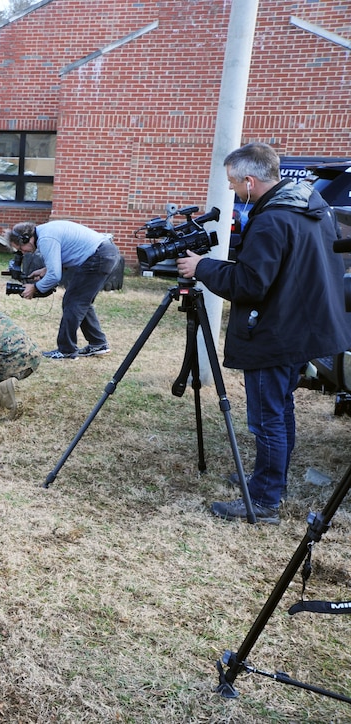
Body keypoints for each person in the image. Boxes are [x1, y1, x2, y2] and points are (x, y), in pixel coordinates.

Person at [177, 142, 351, 524]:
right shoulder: (309, 206)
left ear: (250, 181)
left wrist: (202, 267)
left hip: (277, 331)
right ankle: (267, 481)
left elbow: (250, 283)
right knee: (280, 409)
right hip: (301, 326)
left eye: (234, 183)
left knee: (266, 418)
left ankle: (265, 499)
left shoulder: (272, 218)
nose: (234, 190)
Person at [8, 219, 121, 359]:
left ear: (26, 238)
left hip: (98, 256)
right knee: (81, 301)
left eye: (20, 248)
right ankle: (98, 344)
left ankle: (66, 350)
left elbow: (55, 276)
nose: (22, 253)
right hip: (105, 252)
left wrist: (35, 288)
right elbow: (68, 253)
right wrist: (45, 270)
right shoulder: (45, 232)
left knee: (73, 302)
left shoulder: (45, 239)